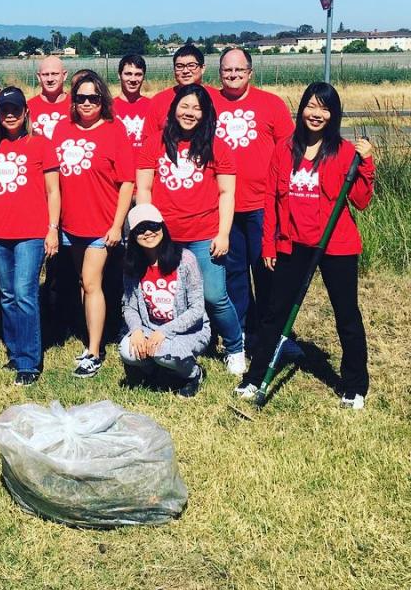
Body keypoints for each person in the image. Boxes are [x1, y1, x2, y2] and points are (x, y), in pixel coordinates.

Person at [237, 83, 375, 410]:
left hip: (335, 245)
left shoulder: (344, 152)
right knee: (274, 313)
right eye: (311, 106)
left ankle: (355, 385)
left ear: (333, 114)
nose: (317, 114)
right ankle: (255, 377)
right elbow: (271, 201)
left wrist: (366, 163)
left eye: (325, 109)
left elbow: (361, 201)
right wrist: (268, 245)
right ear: (301, 110)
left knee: (346, 316)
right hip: (292, 245)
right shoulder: (284, 149)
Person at [136, 84, 246, 375]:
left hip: (204, 234)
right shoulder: (154, 144)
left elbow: (226, 193)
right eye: (185, 106)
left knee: (213, 295)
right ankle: (180, 343)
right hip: (165, 237)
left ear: (206, 113)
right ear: (174, 109)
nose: (190, 113)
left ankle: (235, 346)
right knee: (172, 297)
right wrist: (147, 230)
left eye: (197, 108)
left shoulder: (217, 146)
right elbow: (144, 188)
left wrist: (223, 233)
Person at [52, 71, 134, 379]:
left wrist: (117, 225)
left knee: (91, 282)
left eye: (93, 98)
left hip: (101, 223)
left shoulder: (115, 131)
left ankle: (94, 352)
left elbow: (127, 183)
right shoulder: (62, 129)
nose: (86, 103)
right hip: (71, 224)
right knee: (83, 284)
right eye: (80, 98)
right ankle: (92, 336)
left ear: (103, 100)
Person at [215, 47, 294, 340]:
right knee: (233, 273)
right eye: (227, 71)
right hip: (224, 207)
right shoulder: (210, 103)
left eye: (239, 70)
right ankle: (243, 331)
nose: (233, 75)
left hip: (263, 204)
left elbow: (289, 152)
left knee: (267, 271)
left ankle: (274, 333)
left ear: (250, 72)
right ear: (219, 73)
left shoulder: (271, 104)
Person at [0, 86, 60, 386]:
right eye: (5, 110)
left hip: (31, 232)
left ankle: (30, 360)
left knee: (24, 293)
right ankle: (15, 352)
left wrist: (52, 228)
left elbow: (54, 190)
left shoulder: (41, 144)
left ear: (26, 112)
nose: (10, 114)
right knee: (6, 296)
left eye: (16, 108)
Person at [119, 204, 209, 397]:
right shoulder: (132, 265)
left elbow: (197, 308)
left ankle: (193, 373)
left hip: (187, 330)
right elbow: (129, 306)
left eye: (153, 225)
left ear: (162, 227)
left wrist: (164, 331)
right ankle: (157, 370)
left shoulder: (186, 260)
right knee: (127, 350)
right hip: (149, 327)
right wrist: (136, 331)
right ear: (133, 235)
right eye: (140, 229)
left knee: (165, 353)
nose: (148, 232)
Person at [142, 43, 218, 142]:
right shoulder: (158, 101)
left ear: (202, 68)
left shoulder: (216, 98)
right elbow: (149, 140)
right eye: (179, 66)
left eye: (191, 66)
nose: (185, 70)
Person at [111, 53, 151, 152]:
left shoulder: (153, 106)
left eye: (138, 74)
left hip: (145, 166)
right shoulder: (108, 107)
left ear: (144, 77)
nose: (133, 79)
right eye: (128, 74)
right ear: (119, 75)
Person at [27, 55, 70, 140]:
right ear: (39, 77)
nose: (50, 79)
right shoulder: (28, 107)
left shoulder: (76, 106)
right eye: (45, 74)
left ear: (64, 75)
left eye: (55, 74)